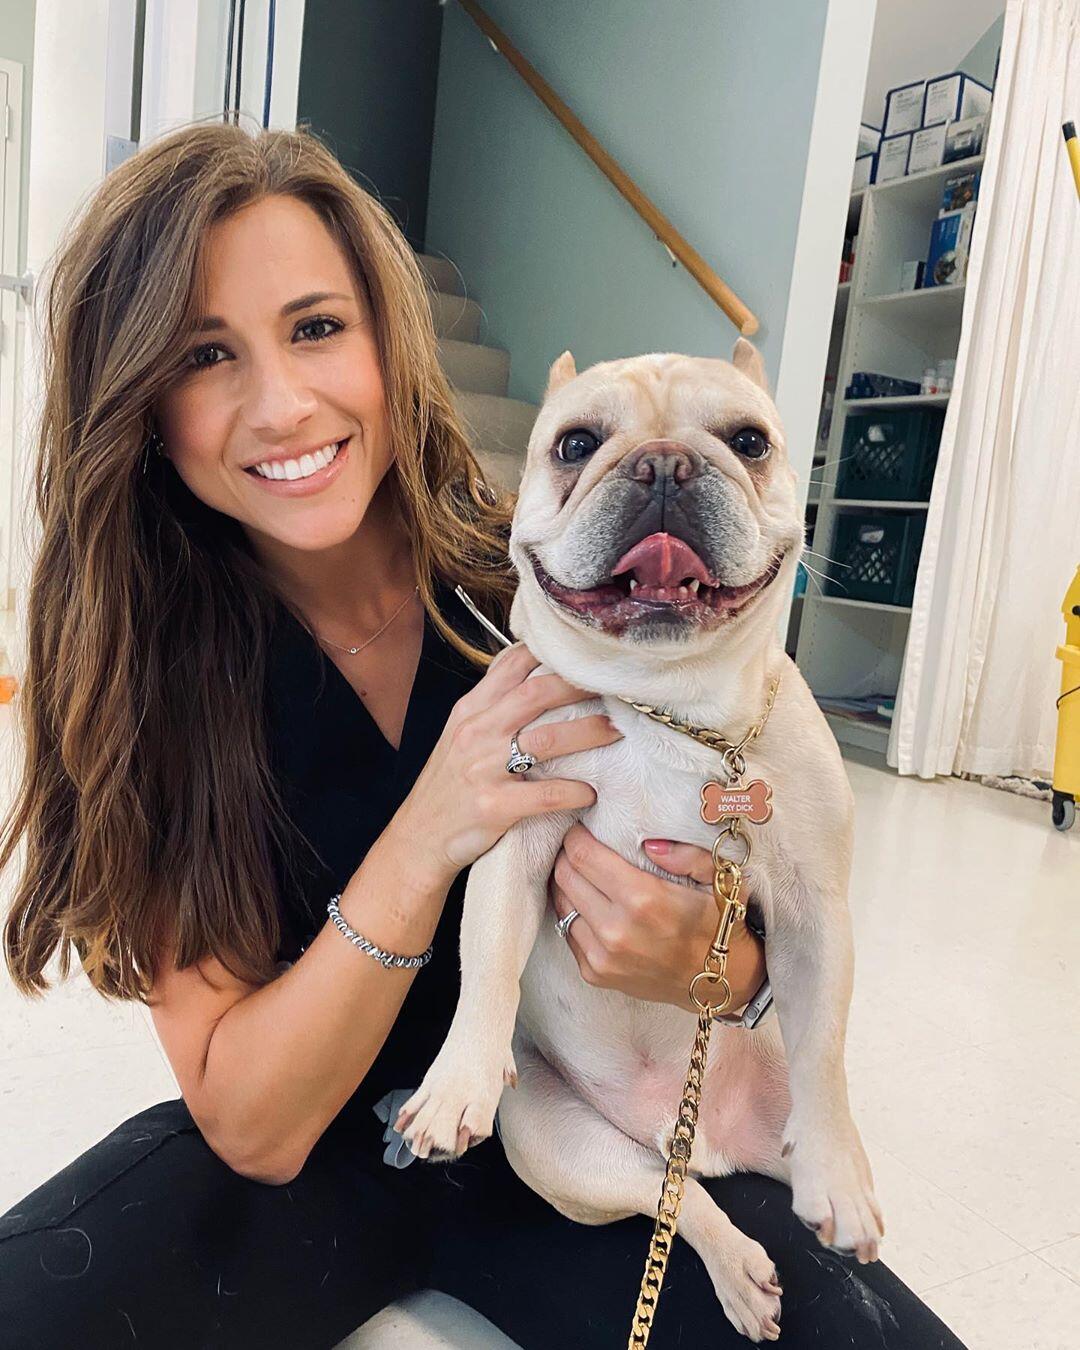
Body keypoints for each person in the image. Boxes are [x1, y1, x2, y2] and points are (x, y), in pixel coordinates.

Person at [0, 122, 966, 1350]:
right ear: (137, 400)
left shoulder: (555, 583)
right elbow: (252, 1125)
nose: (283, 402)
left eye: (316, 327)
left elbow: (759, 884)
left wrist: (720, 966)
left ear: (388, 340)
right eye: (205, 353)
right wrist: (429, 832)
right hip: (311, 1157)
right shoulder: (148, 678)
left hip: (593, 1125)